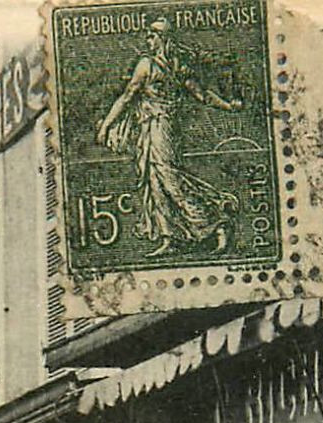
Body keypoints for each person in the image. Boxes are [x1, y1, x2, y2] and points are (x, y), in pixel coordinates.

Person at [95, 17, 243, 258]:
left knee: (169, 179)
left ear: (163, 39)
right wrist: (228, 105)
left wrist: (106, 127)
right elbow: (201, 94)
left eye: (152, 36)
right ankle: (170, 237)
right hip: (151, 129)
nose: (148, 39)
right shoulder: (170, 65)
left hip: (161, 128)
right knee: (154, 180)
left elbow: (200, 95)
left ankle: (216, 224)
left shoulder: (152, 65)